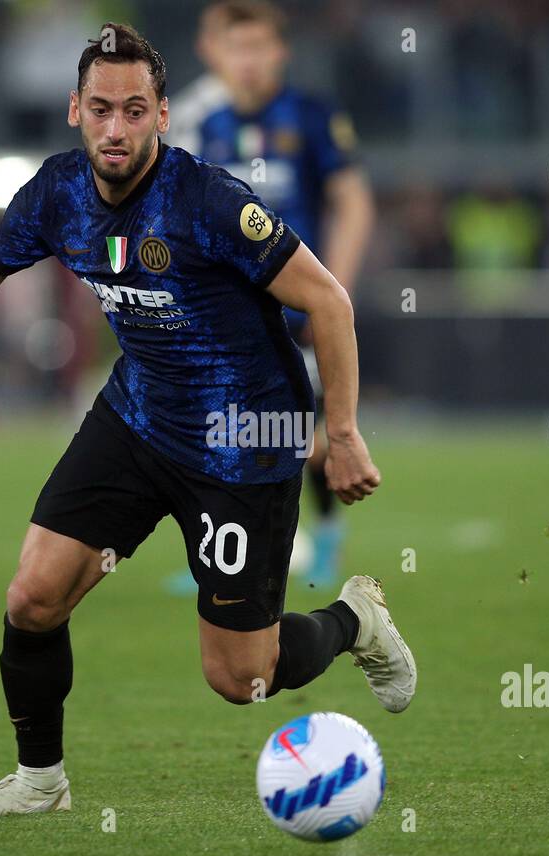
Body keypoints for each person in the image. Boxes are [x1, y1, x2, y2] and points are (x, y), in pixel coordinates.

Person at [0, 23, 415, 818]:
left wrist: (339, 433)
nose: (115, 127)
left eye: (134, 110)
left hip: (243, 444)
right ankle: (41, 783)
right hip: (137, 419)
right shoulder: (54, 194)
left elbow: (328, 300)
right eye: (101, 108)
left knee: (241, 678)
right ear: (75, 109)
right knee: (33, 597)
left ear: (162, 115)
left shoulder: (208, 201)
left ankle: (356, 621)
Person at [176, 0, 376, 590]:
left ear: (280, 52)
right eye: (238, 49)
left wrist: (333, 289)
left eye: (259, 48)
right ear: (217, 55)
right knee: (219, 431)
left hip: (297, 310)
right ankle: (221, 552)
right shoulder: (208, 130)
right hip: (228, 314)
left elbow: (353, 201)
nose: (249, 61)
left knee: (307, 437)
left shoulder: (311, 115)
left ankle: (327, 540)